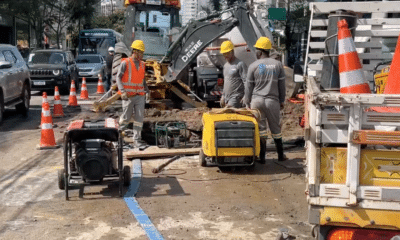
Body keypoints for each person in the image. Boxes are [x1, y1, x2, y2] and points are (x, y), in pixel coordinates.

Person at [244, 37, 287, 163]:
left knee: (261, 130)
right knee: (276, 130)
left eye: (257, 50)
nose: (255, 52)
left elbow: (248, 87)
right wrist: (282, 100)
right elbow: (281, 86)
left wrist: (247, 102)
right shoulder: (278, 65)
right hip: (272, 101)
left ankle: (262, 158)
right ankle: (280, 156)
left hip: (257, 101)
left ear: (260, 52)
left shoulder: (253, 66)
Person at [115, 40, 149, 148]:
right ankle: (117, 137)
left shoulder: (143, 64)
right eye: (141, 52)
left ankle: (137, 140)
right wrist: (122, 91)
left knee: (139, 119)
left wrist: (147, 91)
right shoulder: (126, 63)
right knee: (126, 118)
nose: (142, 55)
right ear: (135, 51)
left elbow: (143, 80)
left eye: (142, 53)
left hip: (140, 96)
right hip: (128, 96)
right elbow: (118, 77)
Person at [219, 40, 247, 108]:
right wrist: (223, 96)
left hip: (236, 97)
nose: (225, 55)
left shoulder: (240, 64)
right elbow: (226, 82)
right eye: (224, 53)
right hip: (227, 98)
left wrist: (246, 96)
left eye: (227, 53)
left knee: (228, 113)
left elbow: (246, 81)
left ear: (232, 51)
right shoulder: (225, 66)